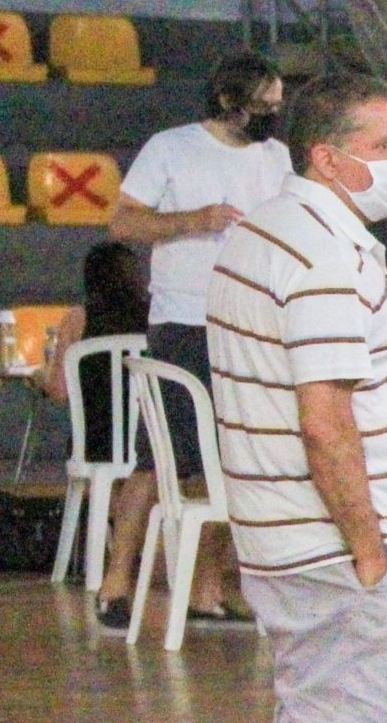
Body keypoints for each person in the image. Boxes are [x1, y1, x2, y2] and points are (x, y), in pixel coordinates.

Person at [208, 70, 387, 723]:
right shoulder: (324, 251)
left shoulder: (260, 230)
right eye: (386, 146)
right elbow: (325, 416)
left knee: (313, 714)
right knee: (314, 721)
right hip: (326, 536)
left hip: (278, 525)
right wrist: (369, 543)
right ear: (327, 157)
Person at [109, 51, 292, 625]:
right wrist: (192, 221)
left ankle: (206, 588)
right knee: (159, 460)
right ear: (227, 101)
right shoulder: (171, 147)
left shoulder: (278, 157)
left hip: (253, 323)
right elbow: (123, 223)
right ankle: (116, 581)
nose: (270, 117)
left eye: (276, 106)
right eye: (261, 106)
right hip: (185, 320)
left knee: (233, 461)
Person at [40, 241, 151, 612]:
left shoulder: (77, 319)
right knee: (133, 474)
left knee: (101, 477)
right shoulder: (155, 318)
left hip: (95, 442)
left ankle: (106, 554)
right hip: (145, 443)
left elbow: (58, 391)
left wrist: (40, 376)